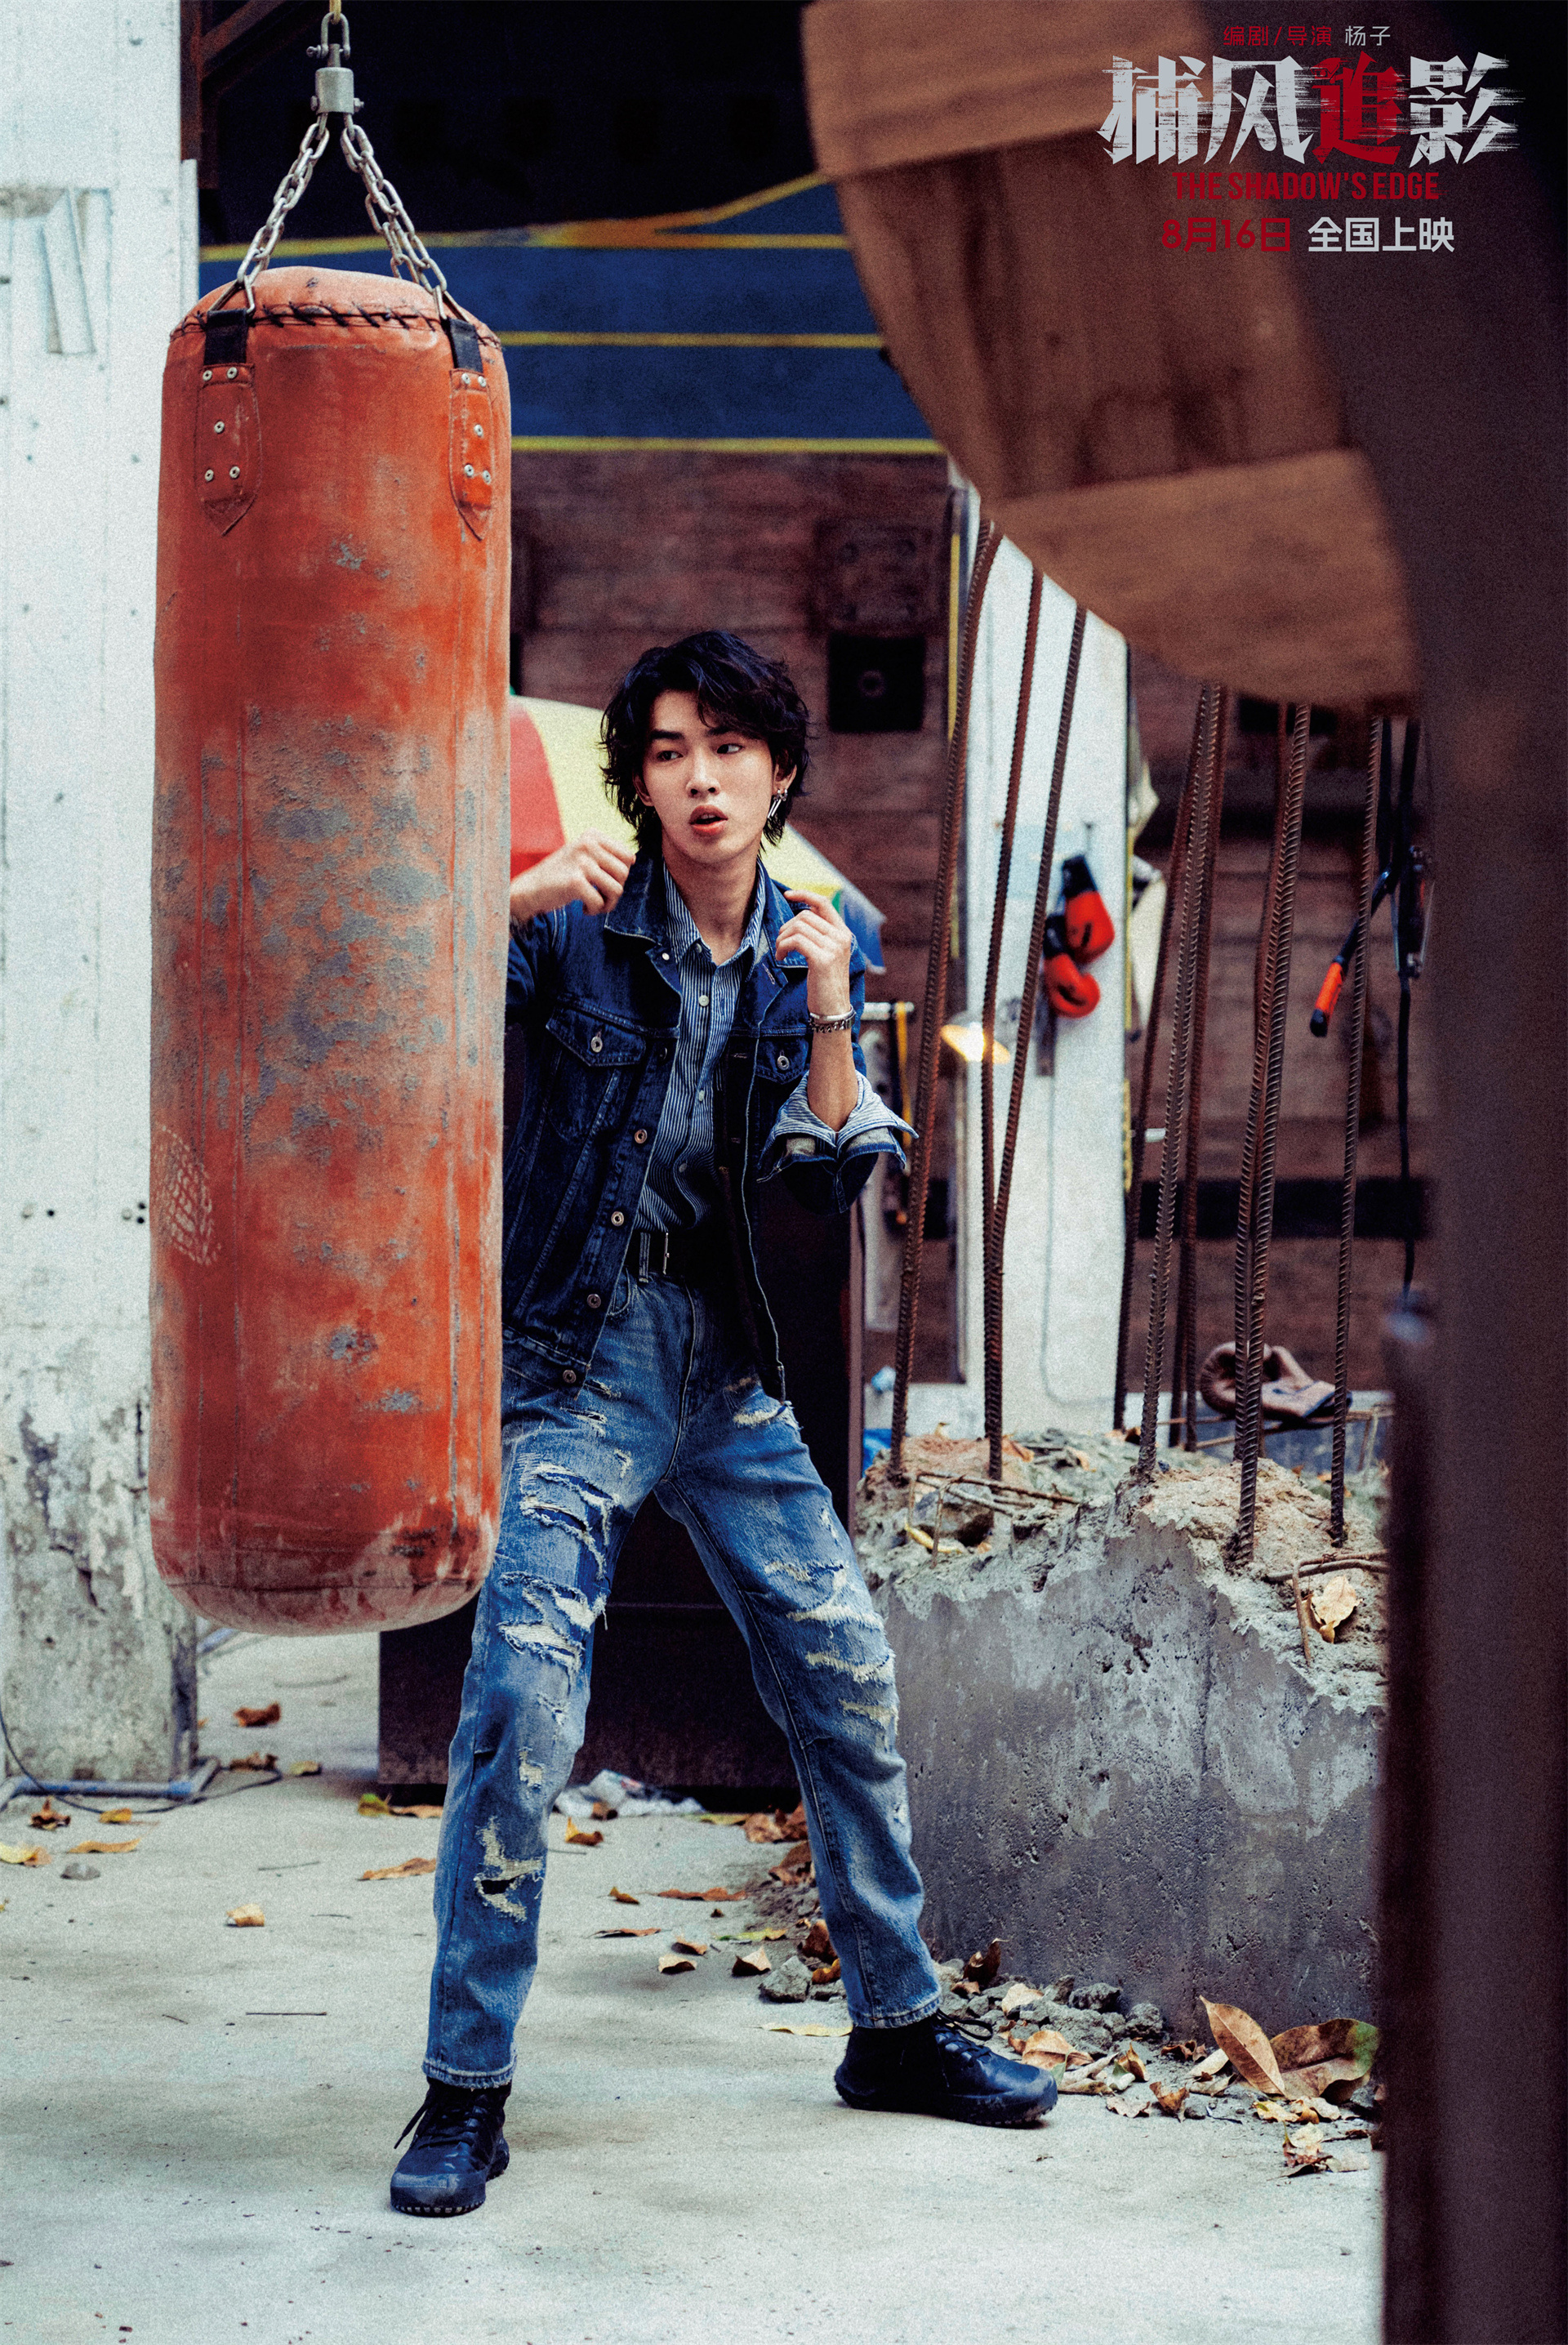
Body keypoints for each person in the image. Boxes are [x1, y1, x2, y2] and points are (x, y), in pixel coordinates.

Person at [391, 631, 1052, 2217]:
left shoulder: (812, 948)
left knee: (846, 1672)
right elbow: (390, 1016)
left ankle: (896, 2030)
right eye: (670, 750)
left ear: (779, 773)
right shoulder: (570, 931)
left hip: (725, 1365)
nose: (701, 778)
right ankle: (463, 2087)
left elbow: (830, 1170)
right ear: (639, 780)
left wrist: (827, 1006)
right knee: (520, 1701)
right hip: (574, 1355)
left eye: (730, 747)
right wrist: (507, 905)